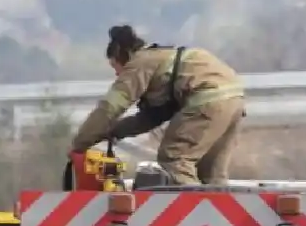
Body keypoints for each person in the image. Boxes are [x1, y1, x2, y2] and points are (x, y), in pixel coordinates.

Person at [69, 25, 246, 186]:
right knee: (211, 175)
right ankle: (217, 211)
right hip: (234, 100)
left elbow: (110, 106)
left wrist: (80, 143)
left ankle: (195, 210)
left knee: (174, 158)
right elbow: (151, 117)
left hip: (207, 100)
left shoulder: (139, 63)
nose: (117, 75)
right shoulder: (162, 58)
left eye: (116, 68)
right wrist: (115, 131)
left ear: (124, 55)